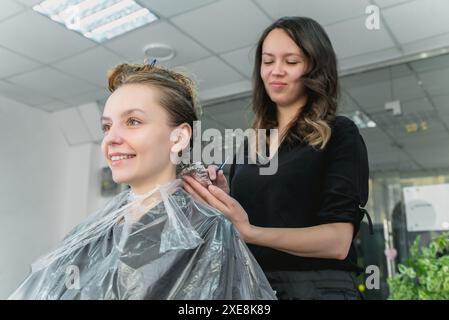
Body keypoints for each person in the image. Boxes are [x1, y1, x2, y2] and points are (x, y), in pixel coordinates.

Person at [9, 63, 276, 300]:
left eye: (133, 121)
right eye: (107, 126)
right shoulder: (92, 231)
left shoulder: (207, 230)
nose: (111, 138)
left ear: (179, 137)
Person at [182, 16, 371, 300]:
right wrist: (226, 198)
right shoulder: (250, 143)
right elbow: (252, 217)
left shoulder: (339, 133)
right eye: (268, 61)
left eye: (291, 62)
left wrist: (250, 231)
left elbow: (338, 241)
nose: (276, 71)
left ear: (314, 68)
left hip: (317, 290)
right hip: (253, 286)